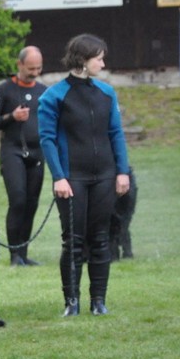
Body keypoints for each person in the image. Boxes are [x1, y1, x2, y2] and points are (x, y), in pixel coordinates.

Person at [38, 34, 131, 317]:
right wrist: (58, 177)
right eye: (98, 59)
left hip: (104, 176)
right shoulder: (53, 96)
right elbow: (47, 139)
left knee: (101, 239)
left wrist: (122, 172)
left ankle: (98, 301)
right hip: (71, 178)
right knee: (73, 241)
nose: (103, 64)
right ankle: (72, 302)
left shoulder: (107, 93)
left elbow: (116, 133)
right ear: (82, 60)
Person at [0, 45, 47, 267]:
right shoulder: (3, 90)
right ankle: (14, 255)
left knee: (31, 203)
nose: (35, 73)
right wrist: (11, 116)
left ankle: (24, 253)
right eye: (30, 68)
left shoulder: (44, 91)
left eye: (38, 68)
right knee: (18, 200)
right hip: (13, 151)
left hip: (37, 153)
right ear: (19, 64)